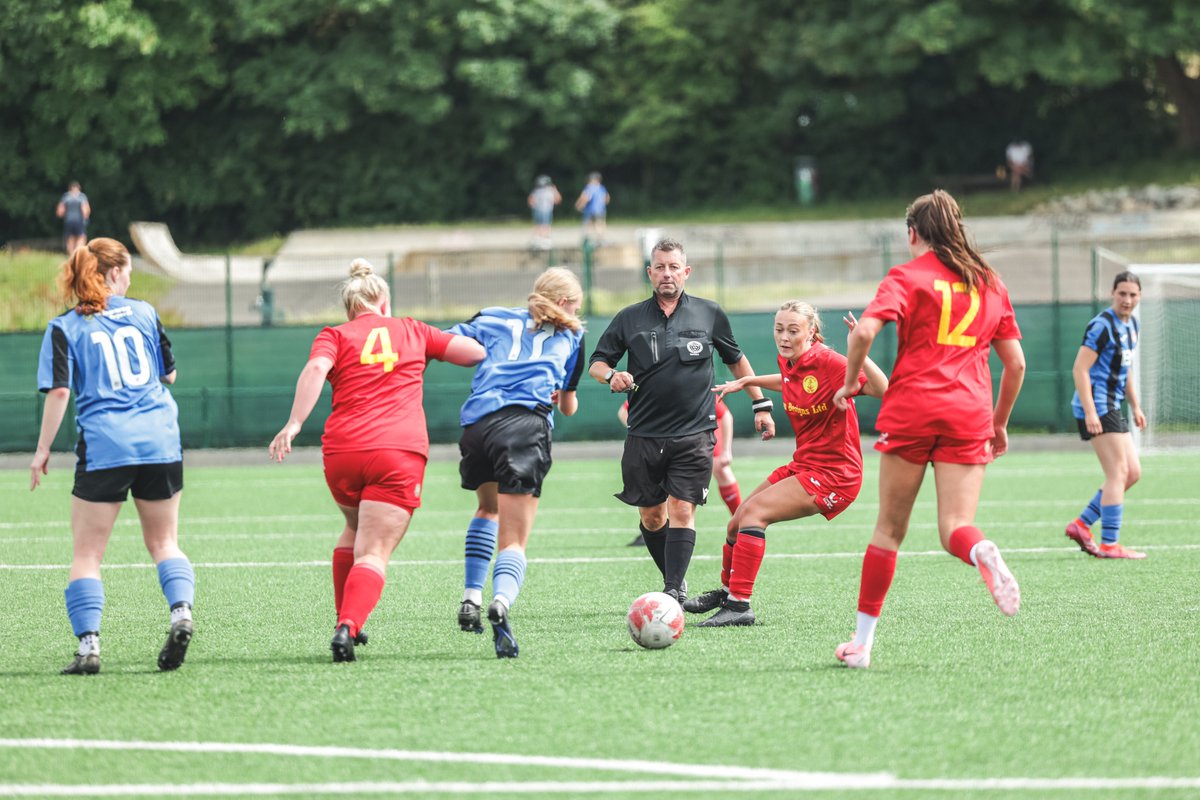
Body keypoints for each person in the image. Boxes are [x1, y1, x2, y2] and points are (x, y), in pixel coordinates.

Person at [831, 189, 1026, 669]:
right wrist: (998, 424)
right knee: (955, 527)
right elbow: (1016, 364)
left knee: (889, 531)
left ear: (912, 233)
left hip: (913, 410)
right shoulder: (990, 284)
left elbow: (862, 332)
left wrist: (853, 378)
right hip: (969, 413)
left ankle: (862, 645)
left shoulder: (906, 276)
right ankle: (980, 549)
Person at [269, 258, 484, 663]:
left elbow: (317, 367)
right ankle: (348, 627)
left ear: (351, 308)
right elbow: (473, 354)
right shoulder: (412, 329)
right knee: (374, 552)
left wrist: (295, 423)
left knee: (352, 529)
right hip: (396, 451)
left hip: (343, 451)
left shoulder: (334, 334)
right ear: (384, 301)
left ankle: (344, 619)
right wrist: (441, 340)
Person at [31, 237, 195, 675]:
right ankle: (181, 614)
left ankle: (89, 648)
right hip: (160, 440)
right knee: (164, 543)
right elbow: (170, 373)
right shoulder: (143, 312)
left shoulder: (64, 327)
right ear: (114, 275)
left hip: (106, 445)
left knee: (87, 553)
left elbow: (61, 391)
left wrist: (43, 449)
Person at [588, 237, 777, 605]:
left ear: (686, 272)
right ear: (650, 273)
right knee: (652, 517)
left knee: (681, 508)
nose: (667, 274)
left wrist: (761, 405)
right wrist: (611, 377)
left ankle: (673, 589)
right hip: (643, 433)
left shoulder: (710, 313)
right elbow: (597, 363)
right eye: (660, 267)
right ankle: (671, 578)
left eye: (674, 267)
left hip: (695, 432)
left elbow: (737, 361)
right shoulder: (629, 318)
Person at [684, 303, 888, 626]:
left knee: (754, 515)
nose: (784, 336)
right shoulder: (791, 359)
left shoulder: (830, 363)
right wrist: (748, 381)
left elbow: (881, 388)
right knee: (736, 521)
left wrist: (859, 353)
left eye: (793, 330)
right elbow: (789, 379)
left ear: (812, 333)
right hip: (805, 464)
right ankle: (727, 592)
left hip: (836, 475)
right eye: (779, 329)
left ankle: (739, 607)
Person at [450, 267, 586, 658]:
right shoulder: (573, 333)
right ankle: (501, 603)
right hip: (525, 424)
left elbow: (448, 346)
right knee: (515, 539)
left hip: (478, 424)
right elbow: (569, 406)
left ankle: (471, 597)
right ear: (563, 304)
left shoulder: (491, 316)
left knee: (486, 508)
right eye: (574, 305)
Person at [1064, 272, 1147, 559]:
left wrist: (1135, 406)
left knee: (1132, 473)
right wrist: (1089, 411)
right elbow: (1080, 369)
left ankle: (1081, 524)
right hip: (1098, 405)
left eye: (1133, 294)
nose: (1127, 299)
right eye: (1122, 293)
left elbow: (1125, 371)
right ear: (1112, 294)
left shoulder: (1132, 325)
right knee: (1118, 473)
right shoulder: (1102, 326)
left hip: (1113, 405)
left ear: (1139, 297)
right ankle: (1110, 544)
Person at [619, 396, 742, 547]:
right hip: (662, 438)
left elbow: (725, 415)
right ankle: (658, 527)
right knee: (661, 481)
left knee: (721, 468)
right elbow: (623, 411)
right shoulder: (652, 384)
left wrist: (726, 451)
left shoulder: (693, 382)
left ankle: (741, 523)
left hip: (697, 434)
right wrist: (644, 431)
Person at [56, 181, 91, 255]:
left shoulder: (66, 196)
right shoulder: (81, 196)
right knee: (82, 238)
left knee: (70, 240)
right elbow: (85, 210)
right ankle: (77, 254)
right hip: (79, 221)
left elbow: (60, 212)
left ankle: (71, 257)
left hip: (68, 221)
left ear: (70, 189)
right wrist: (85, 219)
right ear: (79, 188)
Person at [575, 171, 610, 242]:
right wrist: (602, 204)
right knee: (599, 224)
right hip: (601, 209)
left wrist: (579, 205)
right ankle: (600, 239)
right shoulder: (601, 188)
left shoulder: (589, 187)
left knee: (588, 224)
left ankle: (587, 239)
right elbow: (607, 198)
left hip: (590, 209)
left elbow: (586, 197)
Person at [528, 175, 562, 246]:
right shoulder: (550, 191)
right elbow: (558, 200)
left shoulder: (536, 191)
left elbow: (531, 201)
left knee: (538, 225)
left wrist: (534, 206)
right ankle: (545, 239)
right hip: (547, 210)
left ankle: (537, 239)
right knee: (546, 225)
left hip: (537, 210)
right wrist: (555, 190)